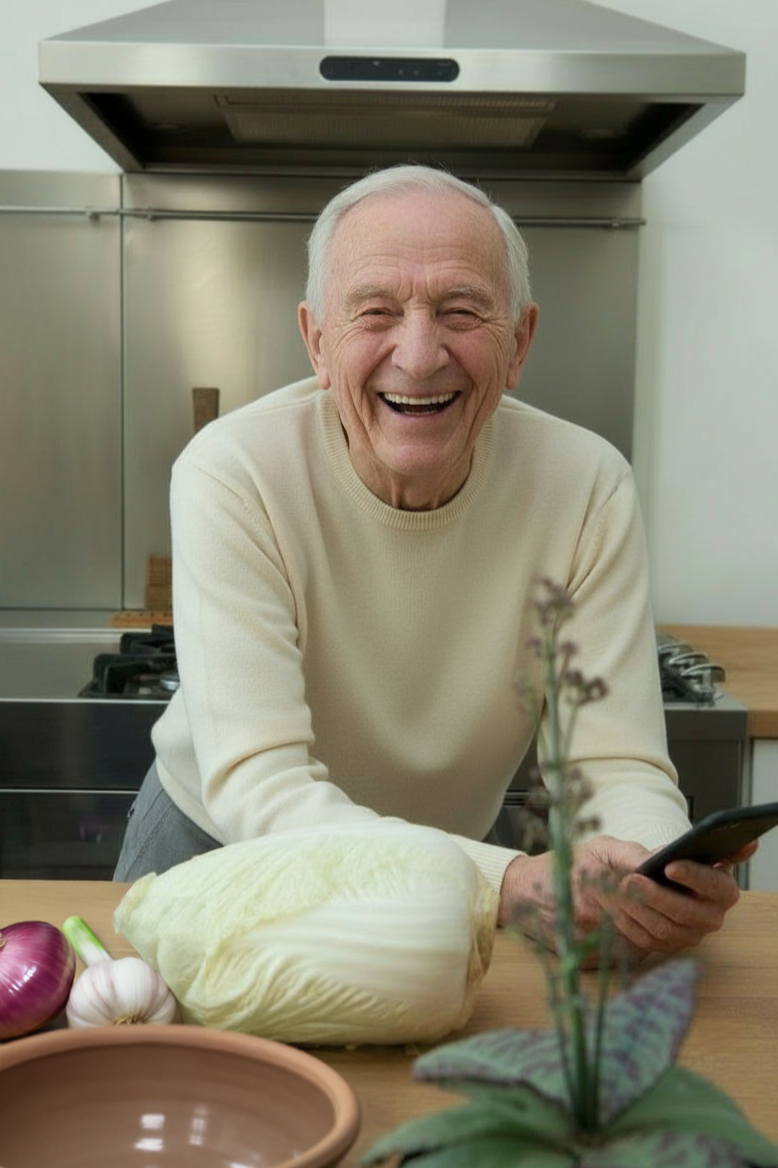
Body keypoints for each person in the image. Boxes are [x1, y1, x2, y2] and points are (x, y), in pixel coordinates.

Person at [114, 164, 748, 959]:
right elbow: (261, 793)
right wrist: (503, 881)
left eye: (462, 311)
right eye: (375, 311)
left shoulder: (587, 486)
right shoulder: (232, 474)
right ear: (317, 341)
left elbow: (615, 764)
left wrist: (653, 872)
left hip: (454, 867)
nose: (418, 357)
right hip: (221, 852)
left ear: (519, 343)